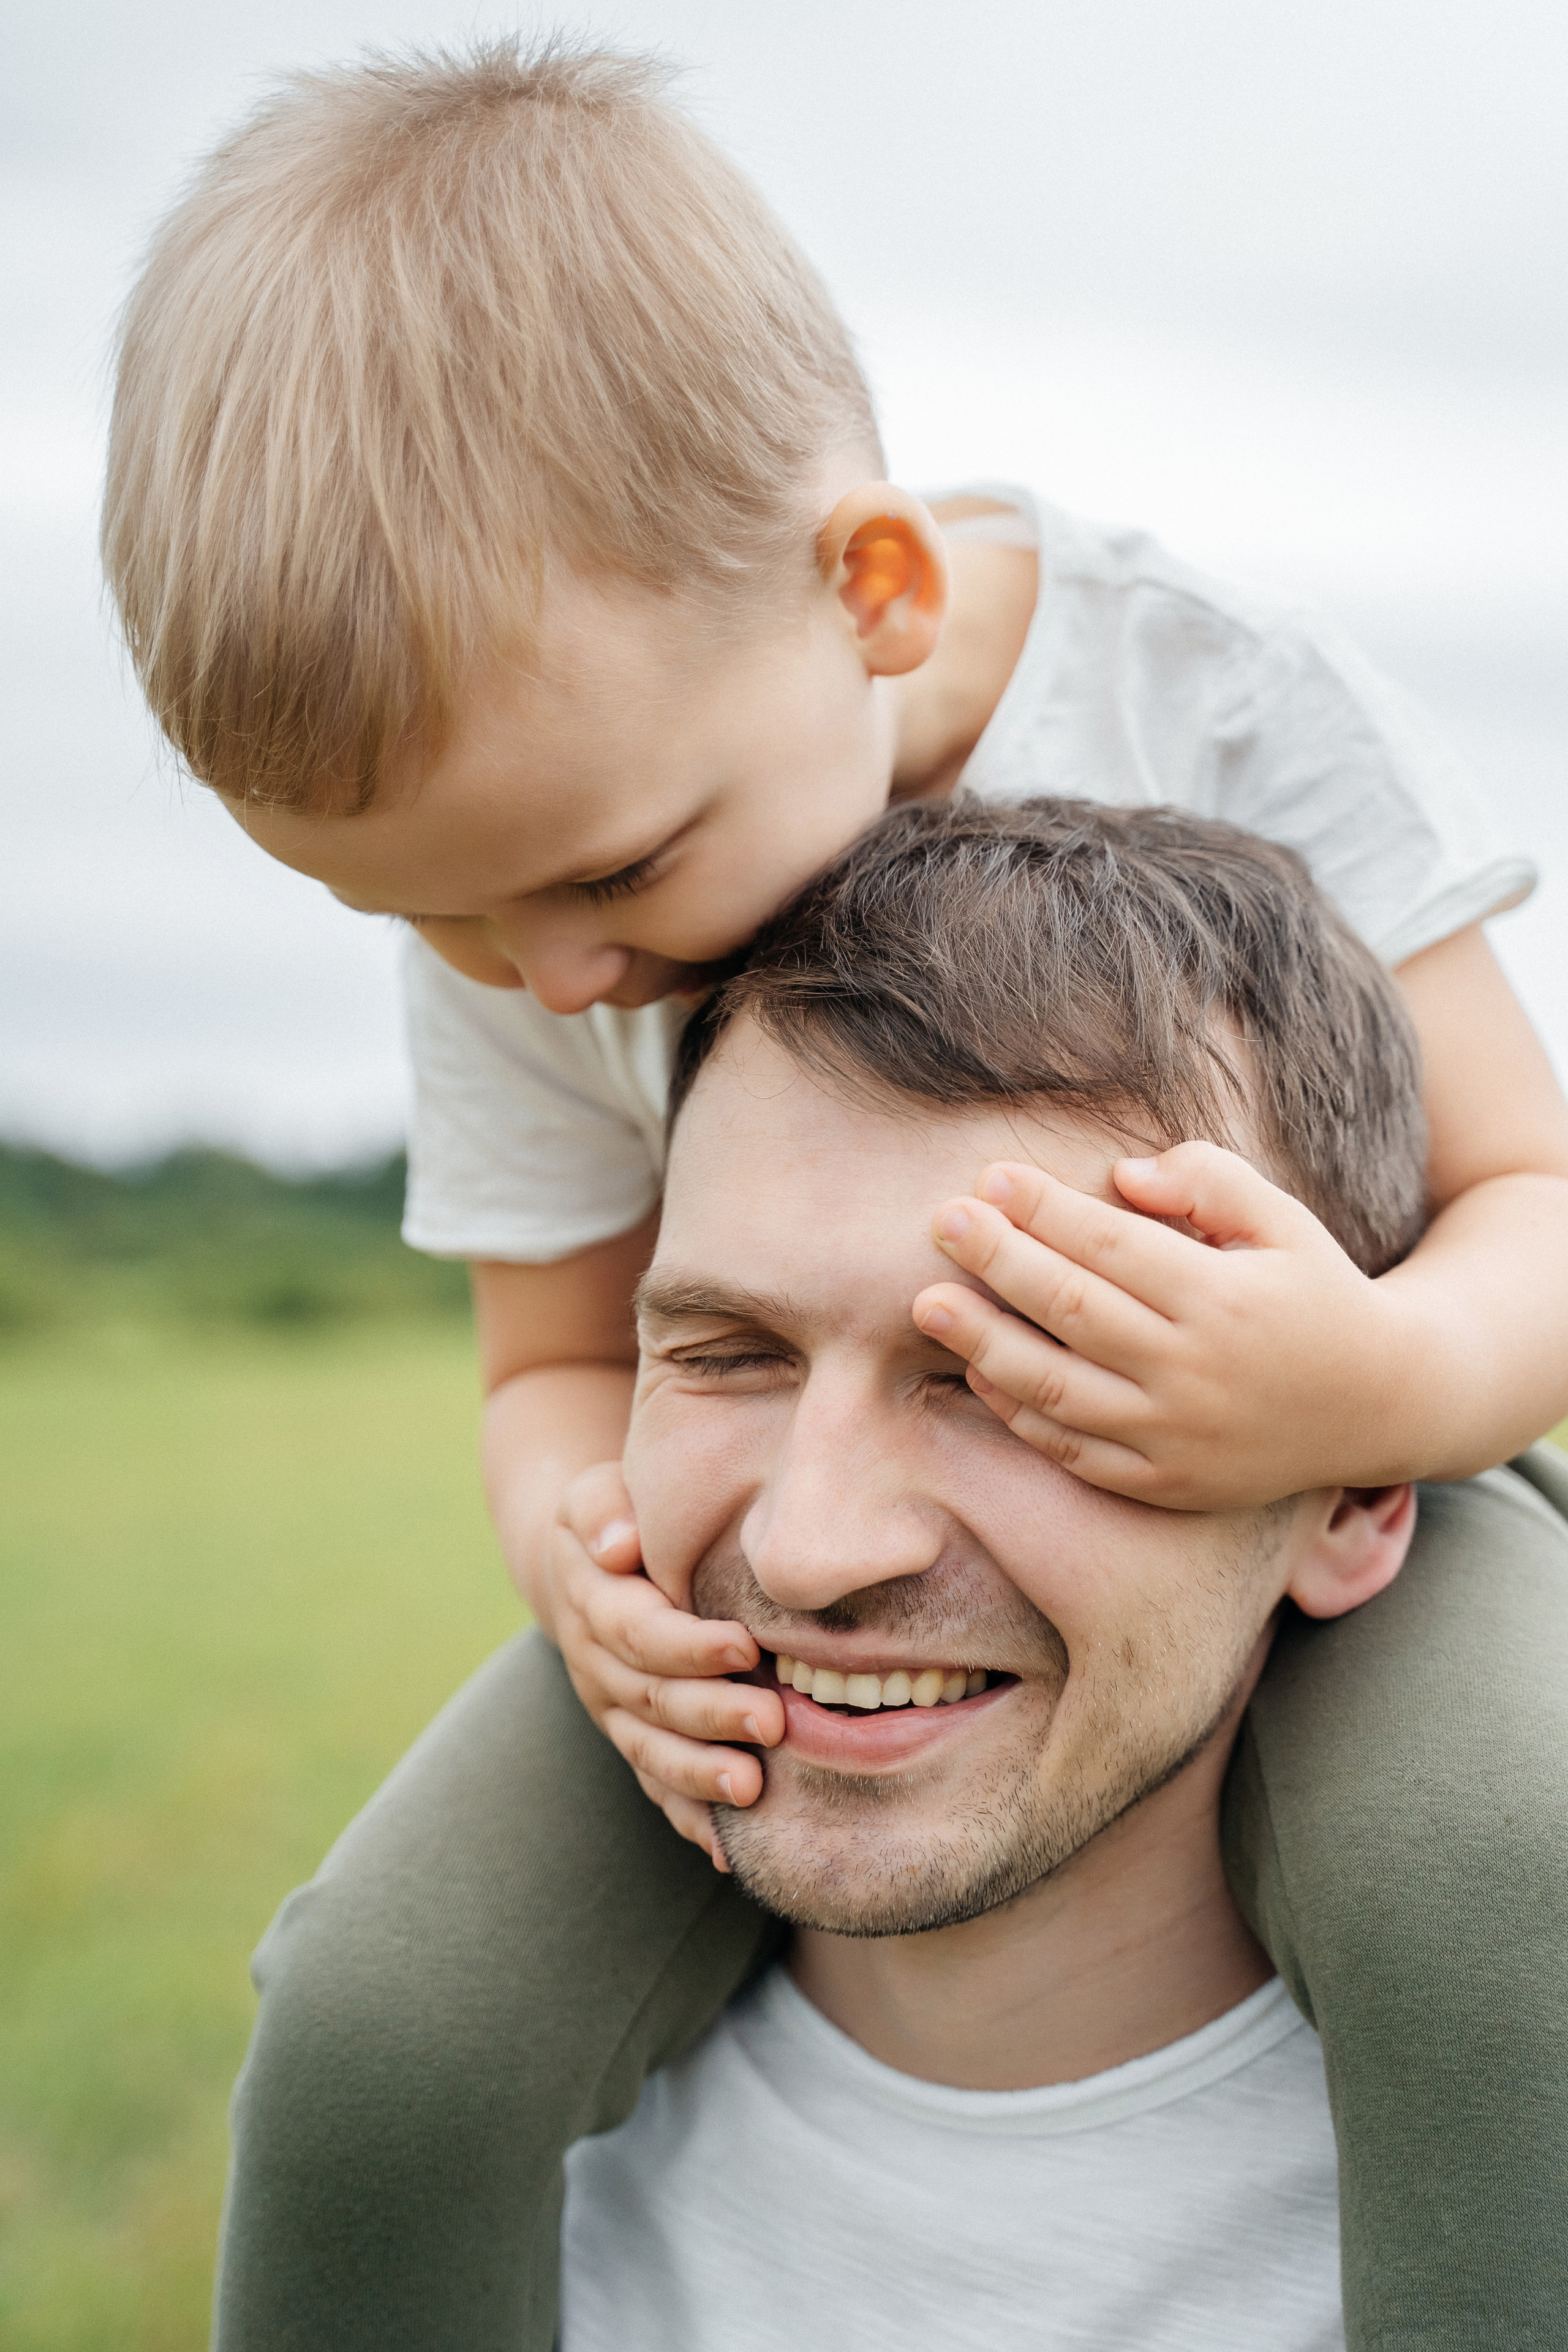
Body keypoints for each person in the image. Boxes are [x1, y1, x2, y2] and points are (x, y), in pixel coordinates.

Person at [96, 39, 1568, 2350]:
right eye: (447, 928)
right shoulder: (522, 892)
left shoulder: (1222, 700)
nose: (555, 978)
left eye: (607, 876)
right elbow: (562, 1362)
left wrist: (1358, 1379)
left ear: (872, 590)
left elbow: (1536, 1198)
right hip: (756, 1630)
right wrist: (582, 1566)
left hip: (1354, 1458)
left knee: (1511, 1871)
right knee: (395, 2005)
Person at [562, 794, 1436, 2348]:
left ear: (1353, 1493)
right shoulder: (483, 2180)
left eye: (1018, 1374)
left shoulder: (1487, 2221)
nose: (804, 1548)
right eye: (723, 1352)